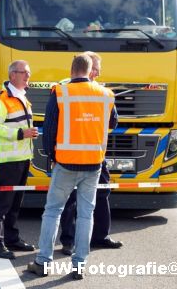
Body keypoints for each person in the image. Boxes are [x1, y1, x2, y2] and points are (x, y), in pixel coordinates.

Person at [27, 53, 117, 280]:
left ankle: (43, 261)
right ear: (90, 71)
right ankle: (79, 264)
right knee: (86, 214)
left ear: (72, 69)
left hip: (65, 162)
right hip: (94, 163)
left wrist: (50, 156)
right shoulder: (106, 94)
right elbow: (113, 122)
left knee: (53, 211)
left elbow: (49, 128)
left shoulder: (60, 91)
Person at [59, 51, 122, 256]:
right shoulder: (65, 88)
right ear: (86, 68)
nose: (97, 73)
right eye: (95, 69)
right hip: (71, 155)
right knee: (70, 199)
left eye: (98, 70)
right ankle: (68, 241)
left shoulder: (101, 92)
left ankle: (100, 236)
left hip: (96, 153)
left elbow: (113, 120)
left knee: (102, 192)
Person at [0, 60, 38, 259]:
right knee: (2, 204)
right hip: (9, 161)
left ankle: (12, 239)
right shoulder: (1, 99)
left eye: (28, 73)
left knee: (15, 203)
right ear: (12, 75)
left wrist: (26, 135)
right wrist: (20, 134)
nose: (28, 76)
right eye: (24, 72)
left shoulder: (22, 97)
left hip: (23, 158)